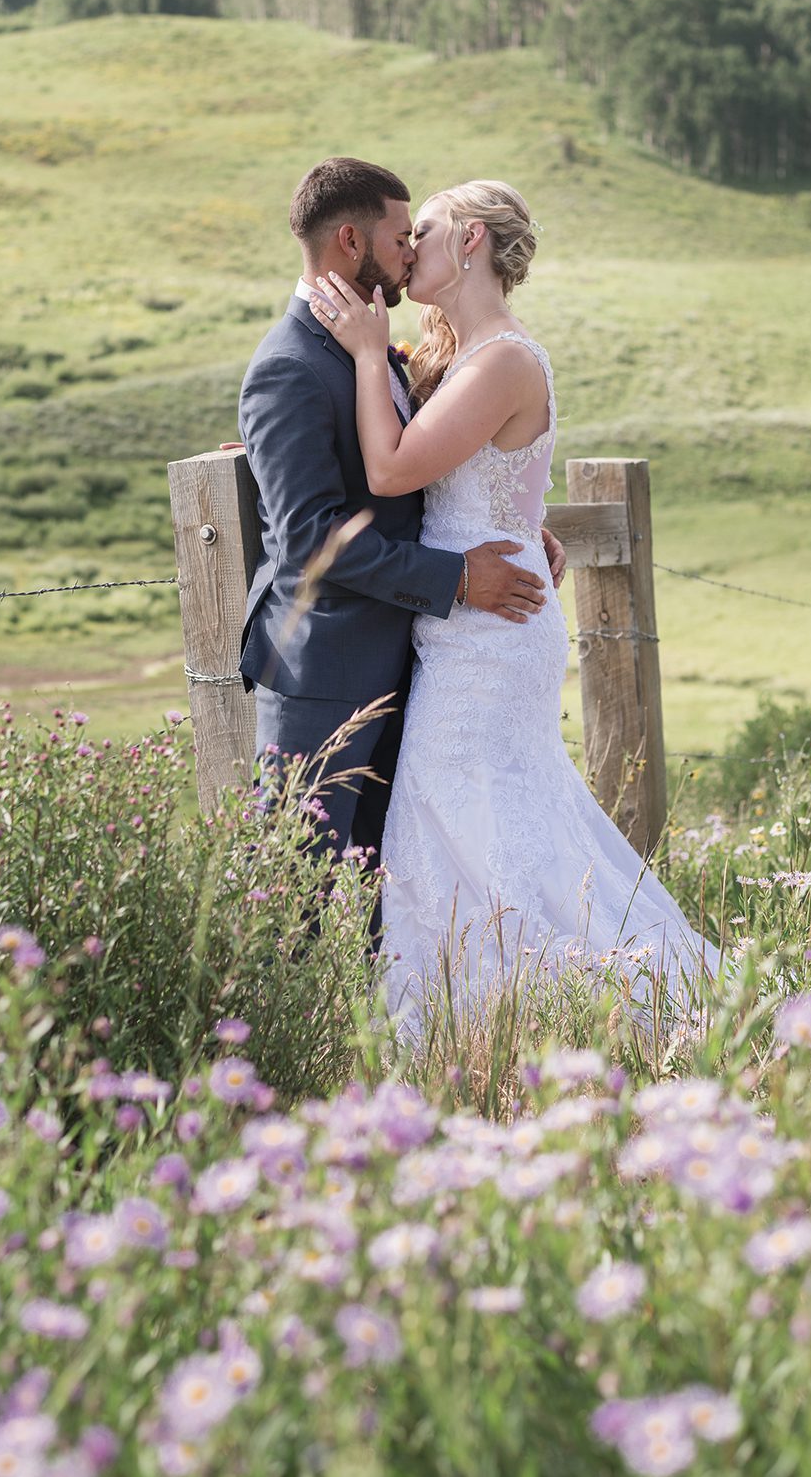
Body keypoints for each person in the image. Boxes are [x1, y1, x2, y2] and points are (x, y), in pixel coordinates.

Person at [308, 178, 721, 1018]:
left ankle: (567, 1006)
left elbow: (392, 470)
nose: (408, 246)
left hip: (489, 638)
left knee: (467, 818)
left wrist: (360, 352)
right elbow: (461, 486)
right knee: (468, 821)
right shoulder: (462, 354)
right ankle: (484, 1020)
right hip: (471, 620)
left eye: (424, 230)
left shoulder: (500, 360)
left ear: (470, 242)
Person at [238, 158, 568, 924]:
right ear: (351, 241)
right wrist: (457, 576)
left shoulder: (382, 354)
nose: (412, 250)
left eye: (421, 234)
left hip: (418, 663)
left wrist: (516, 526)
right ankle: (286, 1043)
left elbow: (439, 467)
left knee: (411, 889)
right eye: (400, 236)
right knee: (294, 898)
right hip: (323, 672)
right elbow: (310, 539)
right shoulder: (289, 366)